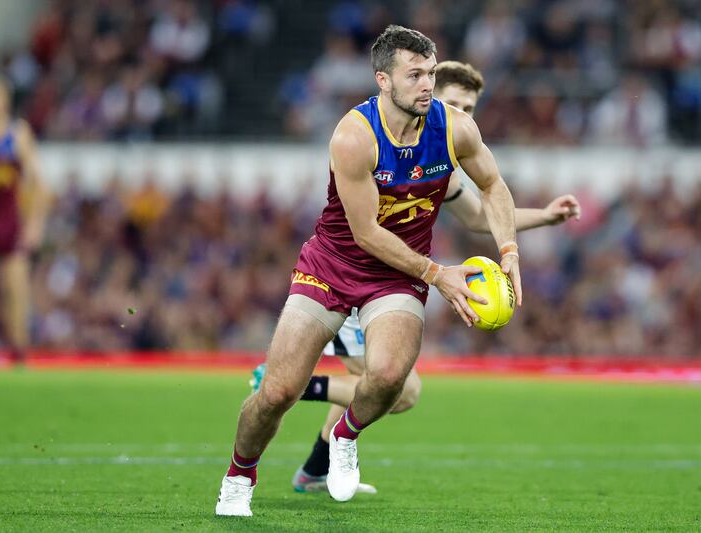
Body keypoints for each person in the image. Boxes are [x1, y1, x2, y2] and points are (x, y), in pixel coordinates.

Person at [216, 25, 524, 517]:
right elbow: (365, 234)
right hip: (333, 265)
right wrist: (436, 272)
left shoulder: (456, 128)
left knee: (388, 378)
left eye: (431, 72)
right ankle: (240, 474)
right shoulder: (353, 136)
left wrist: (508, 248)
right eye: (416, 75)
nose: (428, 84)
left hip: (395, 277)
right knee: (276, 392)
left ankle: (344, 433)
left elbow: (493, 187)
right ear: (383, 79)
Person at [250, 60, 582, 495]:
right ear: (421, 93)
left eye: (471, 107)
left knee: (378, 384)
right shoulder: (375, 139)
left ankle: (314, 470)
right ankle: (286, 387)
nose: (463, 114)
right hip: (348, 275)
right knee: (401, 392)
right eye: (455, 102)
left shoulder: (444, 157)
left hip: (389, 284)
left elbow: (482, 216)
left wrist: (546, 217)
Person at [0, 73, 47, 364]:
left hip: (7, 224)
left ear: (5, 101)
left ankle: (20, 353)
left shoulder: (17, 134)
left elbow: (39, 184)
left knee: (15, 290)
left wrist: (35, 224)